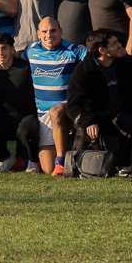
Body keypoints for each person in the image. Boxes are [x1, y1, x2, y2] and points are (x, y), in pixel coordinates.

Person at [24, 15, 86, 176]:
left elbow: (96, 59)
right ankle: (66, 153)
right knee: (47, 168)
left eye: (53, 30)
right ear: (38, 33)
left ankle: (61, 160)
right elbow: (12, 56)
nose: (49, 35)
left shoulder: (74, 50)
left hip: (67, 109)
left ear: (61, 31)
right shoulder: (31, 50)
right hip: (43, 115)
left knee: (56, 111)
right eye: (44, 31)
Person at [66, 29, 132, 176]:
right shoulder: (84, 71)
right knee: (83, 129)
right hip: (94, 116)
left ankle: (123, 165)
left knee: (129, 122)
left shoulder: (121, 62)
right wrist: (88, 121)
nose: (119, 45)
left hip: (117, 114)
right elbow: (73, 105)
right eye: (115, 43)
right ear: (102, 50)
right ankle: (77, 166)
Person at [0, 34, 39, 172]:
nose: (0, 53)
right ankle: (5, 158)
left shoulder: (26, 68)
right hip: (3, 117)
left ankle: (33, 162)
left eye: (4, 48)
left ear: (12, 49)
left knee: (27, 131)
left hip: (26, 116)